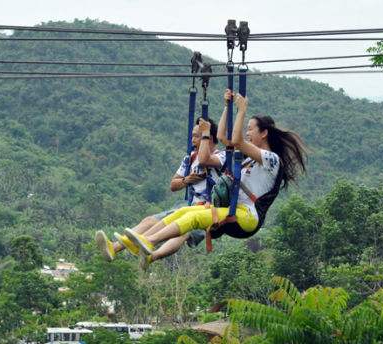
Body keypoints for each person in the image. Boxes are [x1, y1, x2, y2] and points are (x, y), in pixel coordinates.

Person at [126, 89, 307, 270]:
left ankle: (149, 241)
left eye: (250, 129)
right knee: (184, 212)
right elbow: (223, 137)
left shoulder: (272, 160)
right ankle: (145, 244)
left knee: (194, 217)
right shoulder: (249, 158)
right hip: (234, 211)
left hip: (247, 217)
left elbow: (236, 140)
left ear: (264, 133)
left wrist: (242, 109)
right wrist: (227, 107)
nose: (247, 133)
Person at [94, 117, 225, 262]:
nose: (193, 140)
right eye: (192, 136)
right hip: (189, 205)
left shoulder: (220, 157)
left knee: (183, 232)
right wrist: (186, 180)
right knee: (150, 220)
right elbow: (173, 185)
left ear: (209, 138)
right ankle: (114, 248)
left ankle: (151, 255)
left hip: (208, 209)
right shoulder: (190, 158)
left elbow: (206, 159)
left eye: (197, 136)